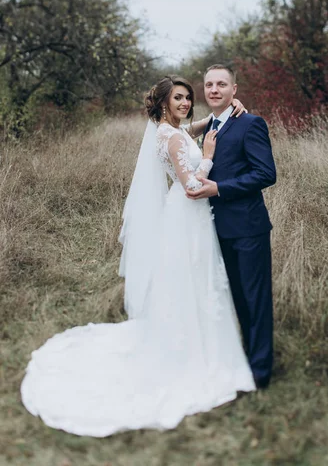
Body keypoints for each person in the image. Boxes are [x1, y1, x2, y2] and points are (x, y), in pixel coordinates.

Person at [20, 74, 255, 437]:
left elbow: (193, 127)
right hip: (188, 214)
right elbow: (192, 186)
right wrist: (207, 158)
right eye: (179, 98)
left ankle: (197, 344)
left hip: (183, 218)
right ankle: (191, 354)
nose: (186, 103)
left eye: (188, 98)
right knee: (191, 279)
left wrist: (225, 111)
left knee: (190, 281)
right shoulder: (173, 137)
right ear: (164, 102)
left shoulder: (168, 131)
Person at [187, 64, 276, 389]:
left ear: (234, 90)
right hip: (218, 229)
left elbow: (266, 174)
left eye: (221, 84)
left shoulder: (251, 124)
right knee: (236, 297)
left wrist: (219, 188)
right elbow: (172, 134)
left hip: (248, 227)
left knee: (256, 298)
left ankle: (260, 373)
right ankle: (243, 360)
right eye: (209, 84)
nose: (214, 89)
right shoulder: (211, 123)